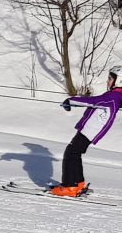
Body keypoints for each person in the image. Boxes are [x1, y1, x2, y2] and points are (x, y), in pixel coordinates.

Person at [50, 65, 122, 196]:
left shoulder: (113, 96)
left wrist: (71, 101)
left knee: (71, 152)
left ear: (119, 81)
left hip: (91, 129)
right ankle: (78, 184)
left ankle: (69, 186)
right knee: (75, 152)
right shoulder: (116, 95)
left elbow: (93, 101)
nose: (107, 81)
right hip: (91, 129)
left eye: (110, 79)